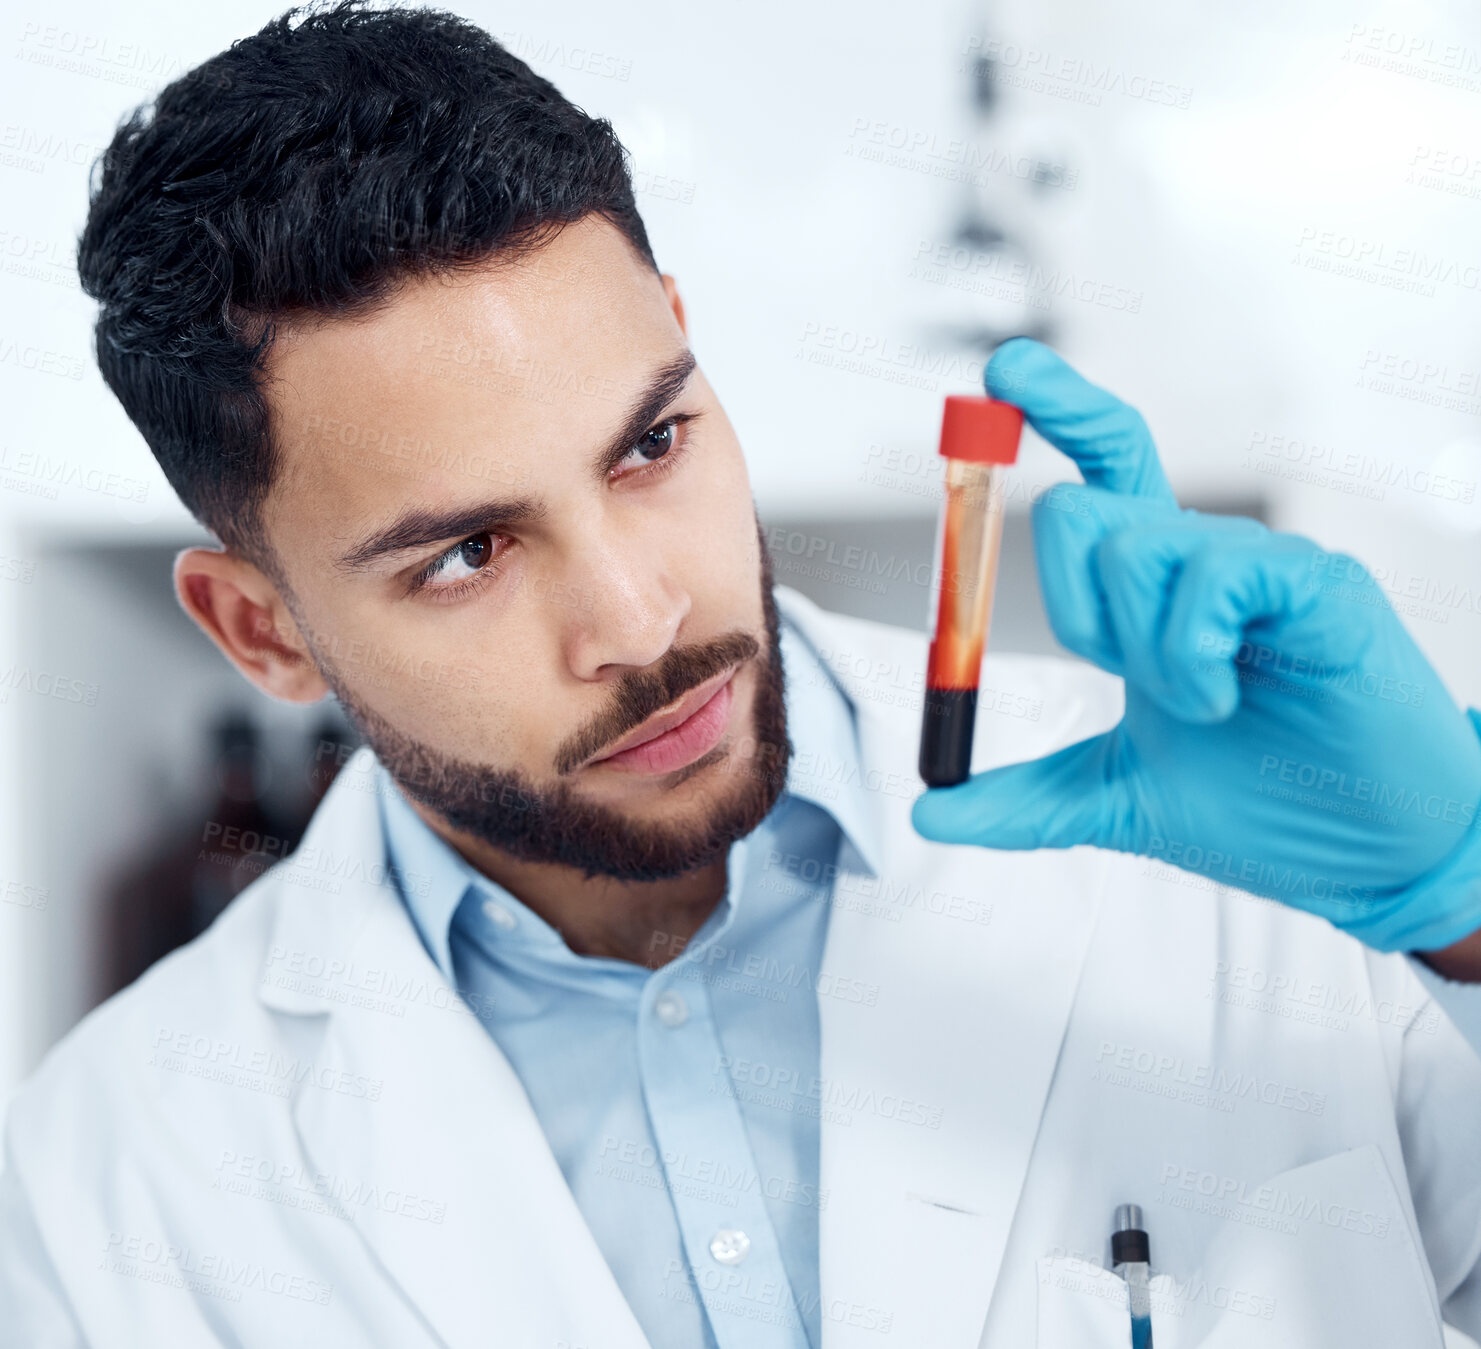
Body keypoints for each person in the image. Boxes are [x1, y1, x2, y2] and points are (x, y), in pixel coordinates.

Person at [3, 4, 1479, 1346]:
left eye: (651, 444)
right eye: (465, 553)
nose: (641, 620)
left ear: (689, 351)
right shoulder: (111, 1188)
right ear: (258, 629)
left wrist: (1465, 912)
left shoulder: (1255, 857)